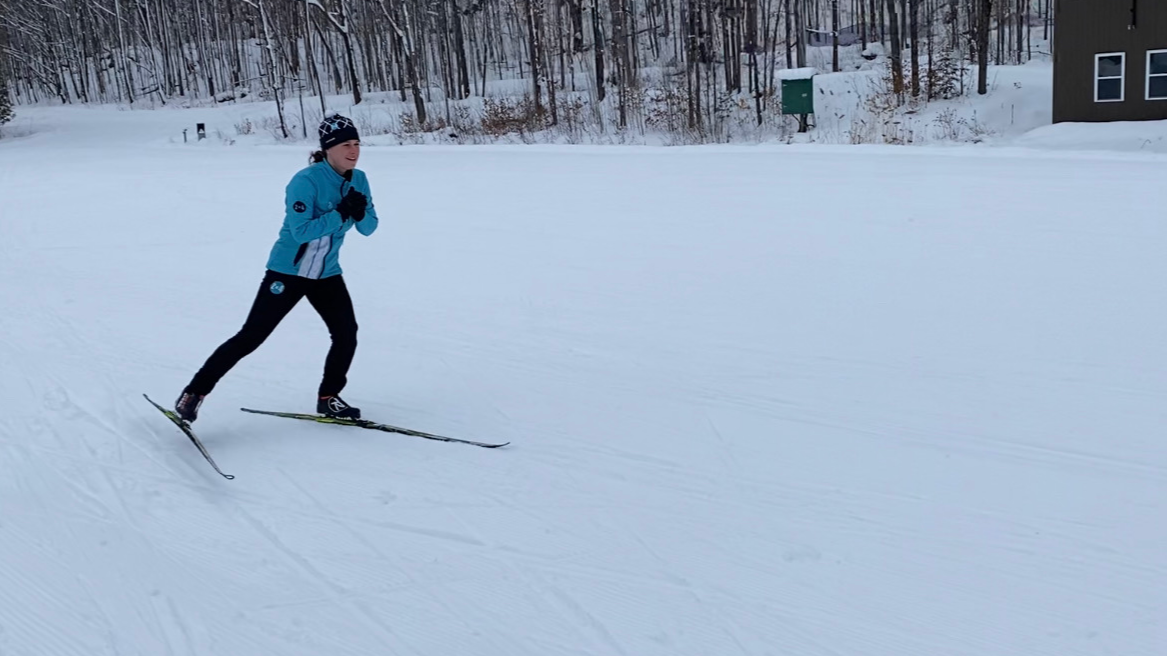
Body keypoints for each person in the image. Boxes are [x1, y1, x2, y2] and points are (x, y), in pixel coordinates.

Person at [174, 114, 379, 423]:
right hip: (287, 273)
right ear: (328, 149)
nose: (354, 151)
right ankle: (194, 392)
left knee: (346, 333)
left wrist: (360, 212)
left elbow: (370, 228)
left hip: (326, 274)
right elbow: (301, 231)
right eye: (346, 145)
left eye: (357, 143)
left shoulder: (359, 179)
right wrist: (339, 214)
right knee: (251, 336)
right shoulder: (305, 181)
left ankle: (329, 397)